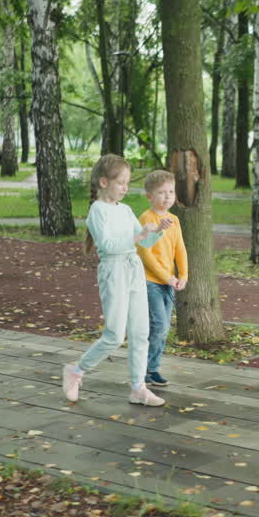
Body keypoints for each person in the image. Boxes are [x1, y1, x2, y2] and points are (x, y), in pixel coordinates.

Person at [62, 154, 172, 407]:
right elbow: (109, 246)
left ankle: (138, 388)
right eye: (121, 182)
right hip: (114, 271)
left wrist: (156, 232)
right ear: (103, 182)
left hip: (133, 269)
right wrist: (139, 236)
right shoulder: (97, 210)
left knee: (141, 332)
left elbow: (142, 241)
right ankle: (77, 371)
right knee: (114, 335)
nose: (125, 187)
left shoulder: (126, 210)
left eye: (127, 182)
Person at [136, 170, 187, 388]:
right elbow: (145, 253)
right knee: (159, 325)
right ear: (149, 196)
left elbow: (180, 249)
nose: (167, 197)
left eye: (171, 192)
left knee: (163, 327)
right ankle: (144, 368)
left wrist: (183, 276)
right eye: (161, 193)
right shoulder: (147, 219)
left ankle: (153, 369)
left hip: (169, 283)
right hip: (151, 282)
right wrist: (166, 277)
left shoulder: (174, 219)